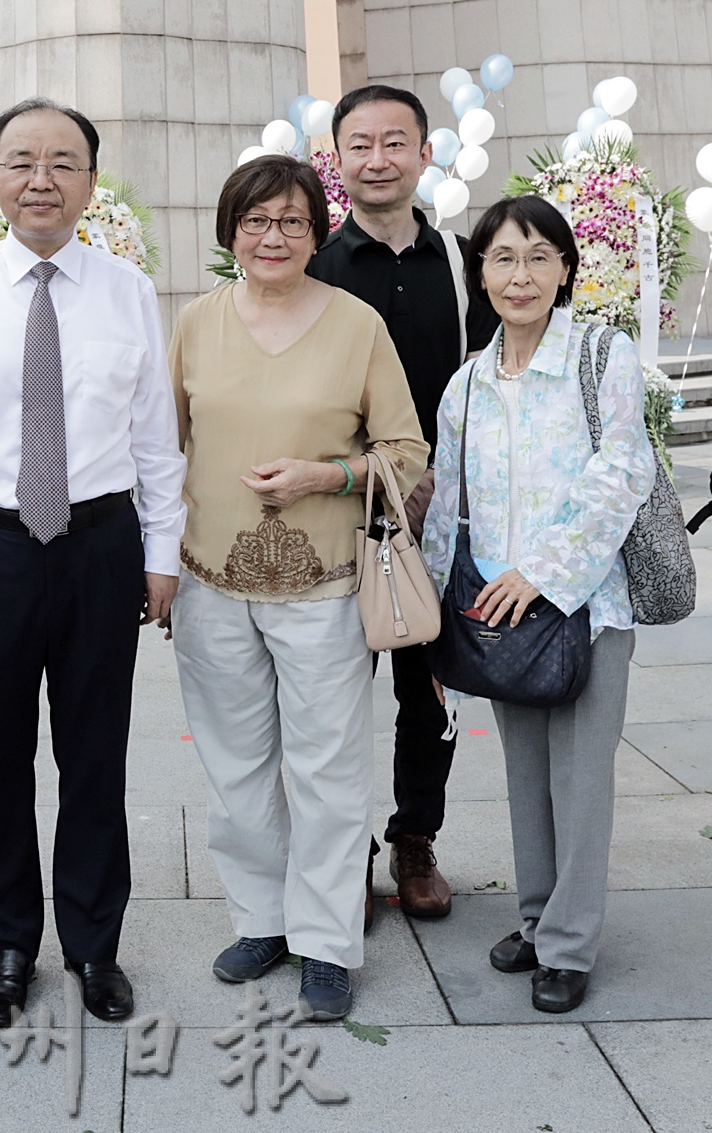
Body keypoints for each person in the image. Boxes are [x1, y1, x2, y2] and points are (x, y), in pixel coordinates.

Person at [0, 97, 186, 1027]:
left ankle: (94, 944)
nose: (41, 179)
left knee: (95, 756)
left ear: (90, 182)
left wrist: (161, 551)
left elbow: (155, 439)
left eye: (64, 162)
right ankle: (10, 944)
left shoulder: (128, 291)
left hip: (100, 545)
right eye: (22, 161)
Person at [169, 155, 429, 1021]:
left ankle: (325, 939)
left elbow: (405, 450)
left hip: (323, 584)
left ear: (318, 230)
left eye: (290, 220)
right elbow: (160, 449)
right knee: (237, 766)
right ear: (230, 232)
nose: (272, 236)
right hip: (213, 581)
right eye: (255, 221)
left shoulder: (356, 325)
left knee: (326, 767)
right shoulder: (196, 324)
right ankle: (262, 919)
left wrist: (328, 476)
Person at [420, 195, 655, 1014]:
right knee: (526, 774)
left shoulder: (601, 355)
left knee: (581, 775)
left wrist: (546, 573)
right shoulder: (468, 384)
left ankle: (568, 943)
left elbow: (623, 471)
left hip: (584, 603)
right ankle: (536, 915)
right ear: (480, 273)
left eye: (538, 256)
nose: (520, 276)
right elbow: (449, 503)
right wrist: (433, 626)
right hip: (494, 607)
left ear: (565, 269)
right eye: (502, 258)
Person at [307, 85, 500, 920]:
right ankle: (344, 849)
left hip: (443, 513)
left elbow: (495, 383)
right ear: (338, 160)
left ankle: (415, 838)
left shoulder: (464, 262)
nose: (377, 158)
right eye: (360, 144)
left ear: (426, 155)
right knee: (334, 692)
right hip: (338, 509)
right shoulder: (314, 264)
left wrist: (441, 484)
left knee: (427, 691)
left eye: (396, 142)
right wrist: (374, 474)